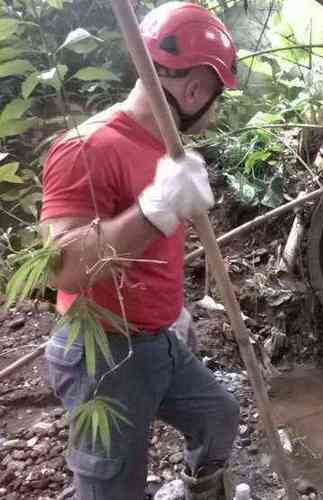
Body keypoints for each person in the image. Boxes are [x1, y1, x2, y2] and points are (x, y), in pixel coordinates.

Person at [39, 3, 239, 499]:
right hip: (102, 353)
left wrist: (174, 309)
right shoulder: (88, 145)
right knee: (113, 487)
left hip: (157, 338)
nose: (212, 112)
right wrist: (156, 208)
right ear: (194, 90)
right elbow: (61, 267)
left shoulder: (165, 151)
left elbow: (154, 253)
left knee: (219, 417)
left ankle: (200, 490)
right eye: (215, 98)